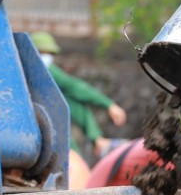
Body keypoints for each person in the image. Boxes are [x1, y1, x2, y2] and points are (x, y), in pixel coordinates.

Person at [30, 31, 127, 161]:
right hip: (40, 122)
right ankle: (87, 148)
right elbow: (75, 87)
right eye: (42, 53)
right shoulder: (47, 72)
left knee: (72, 102)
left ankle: (96, 141)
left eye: (49, 54)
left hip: (46, 120)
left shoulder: (45, 71)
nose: (47, 57)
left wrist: (108, 104)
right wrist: (108, 104)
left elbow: (75, 89)